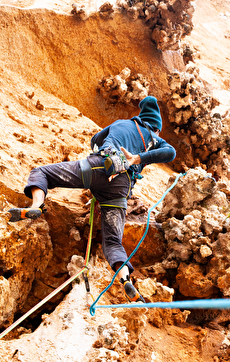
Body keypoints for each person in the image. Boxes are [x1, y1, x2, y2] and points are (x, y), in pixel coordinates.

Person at [8, 96, 176, 302]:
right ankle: (125, 281)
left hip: (99, 165)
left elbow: (95, 139)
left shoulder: (121, 123)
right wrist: (138, 158)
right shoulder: (155, 139)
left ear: (140, 117)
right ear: (156, 128)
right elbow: (171, 152)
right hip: (120, 187)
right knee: (113, 242)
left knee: (42, 173)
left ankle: (36, 205)